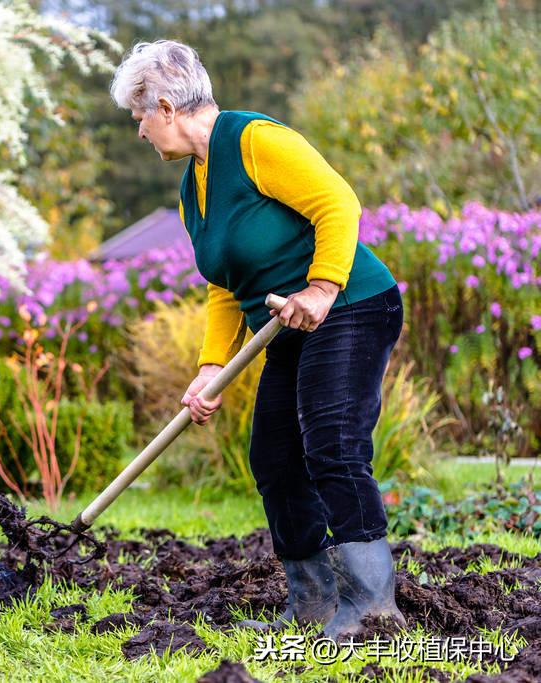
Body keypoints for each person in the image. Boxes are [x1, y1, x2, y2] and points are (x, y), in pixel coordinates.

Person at [109, 40, 407, 640]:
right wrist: (209, 368)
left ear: (165, 106)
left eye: (139, 115)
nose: (139, 131)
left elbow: (338, 204)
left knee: (332, 444)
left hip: (349, 305)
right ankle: (313, 601)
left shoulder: (253, 142)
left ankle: (373, 605)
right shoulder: (194, 185)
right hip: (289, 322)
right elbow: (227, 285)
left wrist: (322, 287)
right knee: (274, 458)